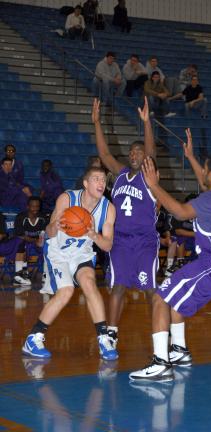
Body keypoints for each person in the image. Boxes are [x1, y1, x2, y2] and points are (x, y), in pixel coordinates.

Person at [129, 129, 211, 382]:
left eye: (203, 167)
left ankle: (160, 363)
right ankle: (178, 350)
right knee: (175, 297)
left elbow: (180, 213)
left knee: (160, 297)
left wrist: (154, 185)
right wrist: (191, 156)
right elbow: (205, 180)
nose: (201, 171)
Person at [22, 166, 118, 361]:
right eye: (96, 179)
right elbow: (49, 232)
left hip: (81, 253)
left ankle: (103, 339)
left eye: (103, 180)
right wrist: (54, 226)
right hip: (58, 252)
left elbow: (107, 246)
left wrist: (92, 233)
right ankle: (33, 338)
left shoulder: (108, 208)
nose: (101, 183)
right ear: (85, 183)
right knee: (66, 291)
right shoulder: (67, 198)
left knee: (90, 284)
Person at [92, 96, 158, 356]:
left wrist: (146, 123)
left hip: (144, 240)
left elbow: (152, 151)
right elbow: (104, 153)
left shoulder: (148, 174)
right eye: (132, 152)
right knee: (117, 286)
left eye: (138, 152)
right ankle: (111, 333)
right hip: (120, 240)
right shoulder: (119, 175)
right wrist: (96, 122)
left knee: (151, 289)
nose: (134, 154)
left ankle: (159, 334)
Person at [13, 196, 49, 285]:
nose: (35, 208)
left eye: (37, 206)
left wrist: (41, 240)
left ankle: (46, 276)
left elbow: (45, 232)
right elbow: (20, 235)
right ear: (28, 206)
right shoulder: (21, 217)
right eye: (33, 206)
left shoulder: (43, 217)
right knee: (20, 243)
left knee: (48, 246)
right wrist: (34, 240)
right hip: (25, 242)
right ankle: (20, 276)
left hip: (38, 242)